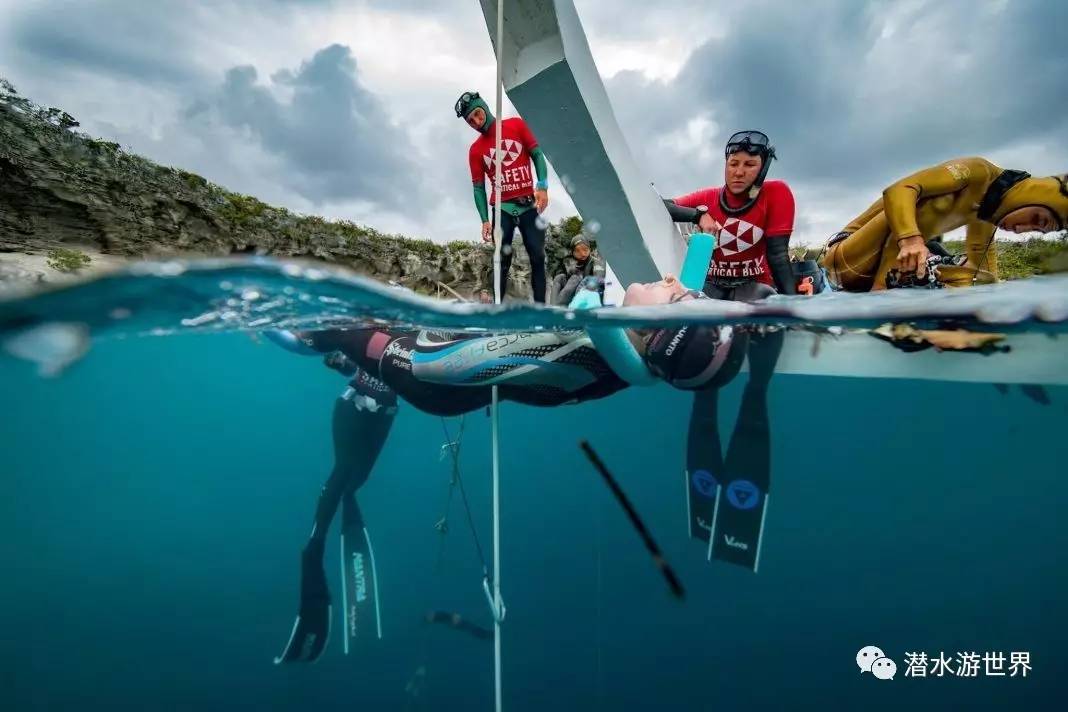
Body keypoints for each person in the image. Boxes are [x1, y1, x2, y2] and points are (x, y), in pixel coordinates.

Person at [274, 249, 784, 661]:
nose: (670, 278)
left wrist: (369, 342)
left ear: (656, 328)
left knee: (334, 329)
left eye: (673, 292)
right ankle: (357, 366)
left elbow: (441, 366)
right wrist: (703, 241)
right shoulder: (635, 355)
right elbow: (674, 320)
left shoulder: (583, 344)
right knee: (371, 339)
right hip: (465, 375)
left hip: (434, 374)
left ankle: (321, 349)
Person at [822, 159, 1068, 291]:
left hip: (873, 273)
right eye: (1037, 219)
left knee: (975, 275)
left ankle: (911, 276)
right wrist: (910, 239)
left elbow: (986, 275)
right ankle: (888, 283)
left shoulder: (987, 213)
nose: (1021, 230)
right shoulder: (977, 172)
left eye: (1037, 230)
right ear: (1034, 192)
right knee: (927, 206)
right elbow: (898, 189)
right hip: (844, 259)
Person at [666, 130, 798, 298]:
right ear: (726, 165)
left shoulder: (777, 193)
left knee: (760, 295)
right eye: (734, 164)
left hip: (754, 286)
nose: (739, 172)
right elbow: (660, 205)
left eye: (749, 165)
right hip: (711, 284)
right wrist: (697, 215)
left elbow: (778, 255)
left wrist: (795, 313)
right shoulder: (707, 198)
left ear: (763, 169)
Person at [456, 90, 551, 303]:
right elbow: (478, 187)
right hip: (502, 208)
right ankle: (497, 309)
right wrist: (484, 220)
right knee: (501, 259)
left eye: (478, 114)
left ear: (485, 107)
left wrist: (542, 186)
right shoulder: (475, 150)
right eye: (471, 121)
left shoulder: (516, 125)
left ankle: (540, 310)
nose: (477, 121)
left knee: (537, 256)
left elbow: (537, 154)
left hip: (528, 205)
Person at [550, 235, 606, 305]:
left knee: (576, 278)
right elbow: (556, 277)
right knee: (560, 277)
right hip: (570, 297)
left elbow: (598, 279)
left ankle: (558, 308)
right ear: (573, 253)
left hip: (589, 298)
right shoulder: (569, 262)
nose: (582, 254)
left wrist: (581, 284)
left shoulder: (596, 263)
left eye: (585, 249)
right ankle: (553, 306)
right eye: (577, 251)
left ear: (589, 249)